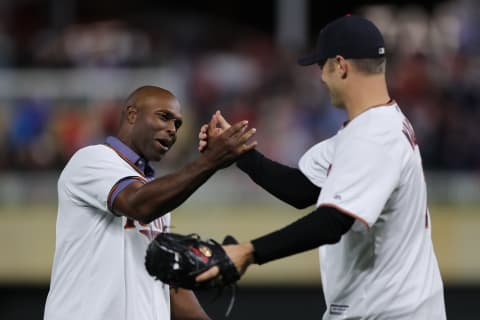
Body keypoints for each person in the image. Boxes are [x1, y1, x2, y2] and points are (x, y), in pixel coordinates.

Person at [196, 15, 446, 319]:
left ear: (340, 65)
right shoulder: (375, 126)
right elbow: (301, 189)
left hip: (390, 312)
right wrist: (238, 154)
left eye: (321, 66)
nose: (321, 77)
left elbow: (332, 222)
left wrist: (247, 252)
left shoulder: (374, 135)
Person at [43, 85, 256, 320]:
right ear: (133, 114)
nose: (172, 130)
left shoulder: (153, 193)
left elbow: (169, 286)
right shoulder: (92, 160)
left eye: (177, 124)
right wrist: (210, 161)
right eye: (164, 117)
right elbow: (138, 205)